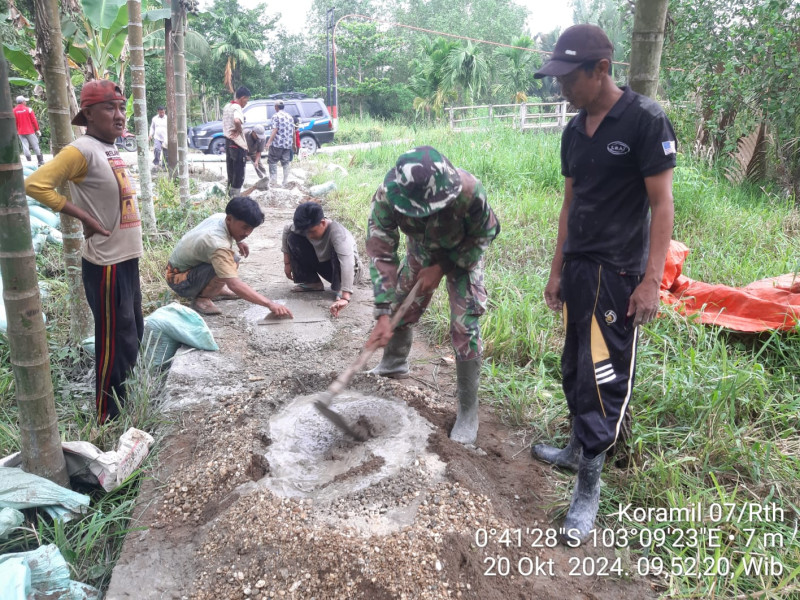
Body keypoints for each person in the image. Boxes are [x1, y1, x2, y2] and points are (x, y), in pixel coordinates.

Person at [531, 24, 676, 546]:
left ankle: (588, 488)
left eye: (570, 78)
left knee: (602, 376)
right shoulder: (574, 131)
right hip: (578, 271)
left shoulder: (644, 120)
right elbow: (570, 205)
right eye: (559, 79)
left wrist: (651, 281)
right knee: (573, 365)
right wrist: (554, 271)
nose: (563, 88)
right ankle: (573, 450)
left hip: (618, 277)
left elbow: (662, 205)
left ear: (601, 70)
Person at [25, 80, 144, 423]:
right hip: (106, 264)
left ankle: (129, 405)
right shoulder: (82, 149)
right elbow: (35, 184)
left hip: (127, 259)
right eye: (110, 108)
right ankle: (106, 418)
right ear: (88, 115)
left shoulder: (110, 148)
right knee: (113, 341)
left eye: (122, 107)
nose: (120, 115)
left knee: (132, 332)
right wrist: (82, 217)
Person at [365, 146, 500, 446]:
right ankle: (394, 363)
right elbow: (381, 251)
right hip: (421, 249)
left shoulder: (468, 190)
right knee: (400, 303)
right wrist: (384, 313)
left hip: (464, 251)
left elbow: (486, 233)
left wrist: (443, 267)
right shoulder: (388, 196)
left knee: (465, 325)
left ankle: (468, 411)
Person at [166, 196, 293, 319]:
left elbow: (227, 233)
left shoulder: (220, 218)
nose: (248, 233)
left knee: (232, 259)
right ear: (229, 219)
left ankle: (216, 289)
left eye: (251, 229)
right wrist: (270, 304)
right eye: (245, 227)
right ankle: (202, 299)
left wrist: (238, 240)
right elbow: (234, 284)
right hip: (180, 282)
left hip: (182, 269)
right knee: (230, 261)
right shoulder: (216, 243)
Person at [281, 202, 360, 317]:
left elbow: (348, 263)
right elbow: (287, 229)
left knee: (337, 252)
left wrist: (345, 297)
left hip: (349, 271)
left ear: (322, 223)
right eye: (306, 232)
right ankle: (312, 282)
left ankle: (340, 288)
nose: (309, 235)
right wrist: (287, 263)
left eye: (312, 231)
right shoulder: (306, 228)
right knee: (293, 238)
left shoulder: (338, 234)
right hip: (324, 263)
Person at [222, 86, 251, 197]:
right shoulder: (237, 107)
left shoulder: (227, 106)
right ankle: (235, 197)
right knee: (239, 172)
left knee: (231, 170)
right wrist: (239, 130)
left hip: (228, 142)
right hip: (236, 143)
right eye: (246, 100)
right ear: (242, 98)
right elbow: (237, 120)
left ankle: (228, 195)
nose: (246, 103)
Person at [265, 100, 294, 187]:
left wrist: (269, 142)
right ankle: (285, 182)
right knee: (286, 162)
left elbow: (275, 129)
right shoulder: (290, 117)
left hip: (277, 144)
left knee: (272, 161)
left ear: (276, 107)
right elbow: (293, 131)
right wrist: (293, 144)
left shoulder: (276, 116)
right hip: (287, 144)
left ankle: (273, 182)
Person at [14, 95, 44, 166]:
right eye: (25, 101)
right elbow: (34, 120)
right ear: (23, 102)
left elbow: (14, 122)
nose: (26, 102)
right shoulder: (29, 110)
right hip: (29, 131)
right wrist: (37, 129)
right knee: (35, 145)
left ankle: (29, 162)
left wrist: (16, 130)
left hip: (20, 132)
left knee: (25, 146)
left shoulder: (14, 111)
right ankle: (40, 161)